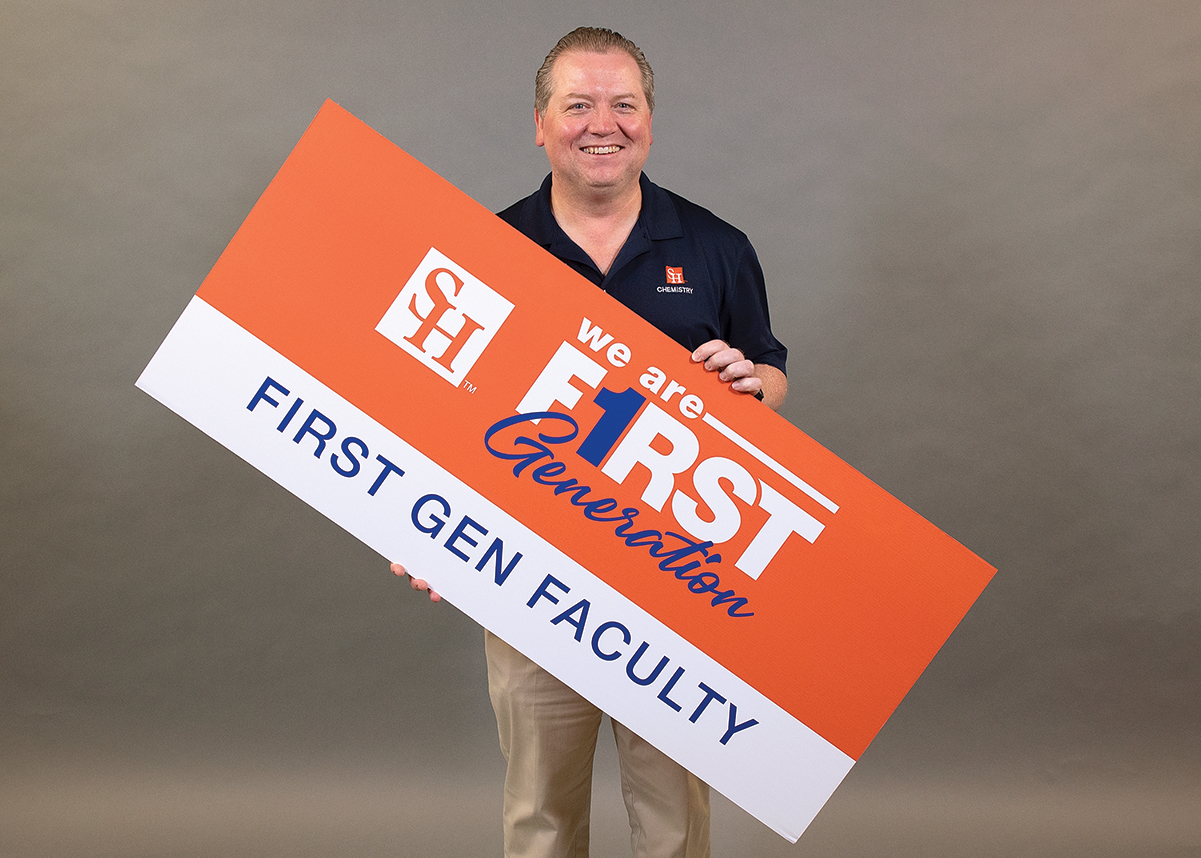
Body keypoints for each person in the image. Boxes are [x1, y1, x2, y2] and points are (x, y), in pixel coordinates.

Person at [391, 27, 788, 858]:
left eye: (622, 105)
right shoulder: (489, 249)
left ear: (649, 122)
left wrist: (749, 388)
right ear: (539, 125)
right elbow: (441, 413)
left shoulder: (716, 247)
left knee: (676, 820)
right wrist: (420, 526)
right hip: (529, 573)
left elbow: (769, 375)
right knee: (539, 812)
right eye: (578, 105)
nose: (602, 124)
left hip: (675, 579)